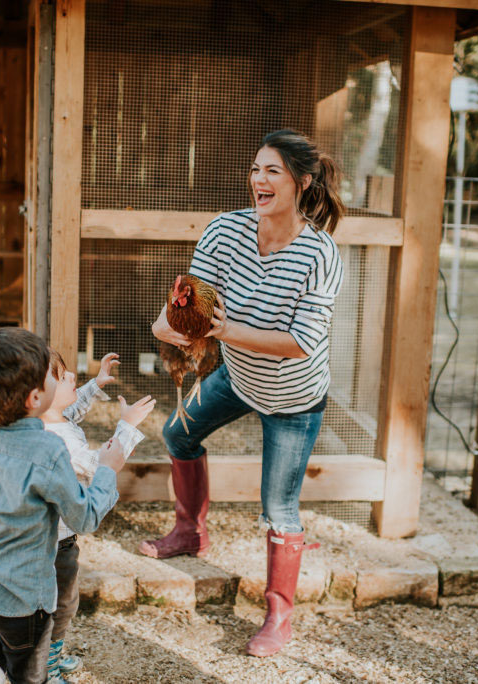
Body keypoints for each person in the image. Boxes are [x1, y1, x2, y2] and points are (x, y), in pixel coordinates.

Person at [143, 129, 344, 657]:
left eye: (272, 171)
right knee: (177, 434)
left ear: (300, 183)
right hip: (237, 374)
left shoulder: (320, 254)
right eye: (255, 169)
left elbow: (301, 343)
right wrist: (169, 322)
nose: (258, 179)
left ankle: (279, 614)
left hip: (293, 396)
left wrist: (222, 331)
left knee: (278, 506)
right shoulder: (224, 231)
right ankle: (190, 532)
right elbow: (196, 301)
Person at [0, 327, 126, 684]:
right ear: (34, 397)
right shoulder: (48, 451)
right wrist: (107, 470)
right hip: (22, 598)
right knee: (28, 677)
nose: (65, 377)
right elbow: (86, 516)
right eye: (52, 375)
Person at [38, 350, 155, 682]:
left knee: (62, 604)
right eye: (62, 377)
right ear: (38, 395)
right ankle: (45, 665)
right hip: (55, 546)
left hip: (54, 542)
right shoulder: (59, 442)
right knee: (58, 607)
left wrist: (94, 385)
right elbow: (101, 464)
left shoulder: (47, 420)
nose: (72, 375)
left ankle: (51, 654)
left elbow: (70, 411)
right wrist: (127, 426)